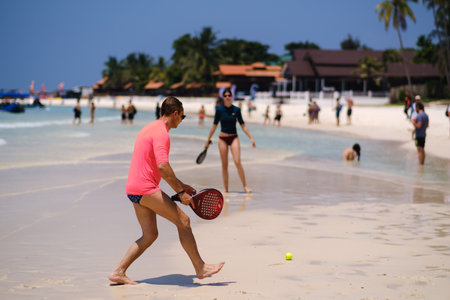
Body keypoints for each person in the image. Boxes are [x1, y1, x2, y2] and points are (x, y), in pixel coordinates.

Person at [109, 97, 224, 285]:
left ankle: (118, 272)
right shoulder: (162, 133)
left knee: (150, 234)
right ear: (175, 113)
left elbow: (155, 166)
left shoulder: (149, 127)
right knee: (184, 221)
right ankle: (200, 267)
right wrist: (181, 193)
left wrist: (181, 184)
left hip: (133, 188)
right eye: (182, 116)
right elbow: (162, 166)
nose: (181, 120)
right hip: (145, 188)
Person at [204, 88, 256, 193]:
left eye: (229, 95)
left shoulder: (236, 110)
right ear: (223, 98)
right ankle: (226, 189)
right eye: (225, 96)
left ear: (232, 97)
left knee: (237, 162)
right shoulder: (219, 110)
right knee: (225, 164)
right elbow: (214, 126)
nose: (227, 97)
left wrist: (251, 138)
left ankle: (245, 186)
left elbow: (243, 125)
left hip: (234, 138)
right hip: (222, 138)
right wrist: (208, 140)